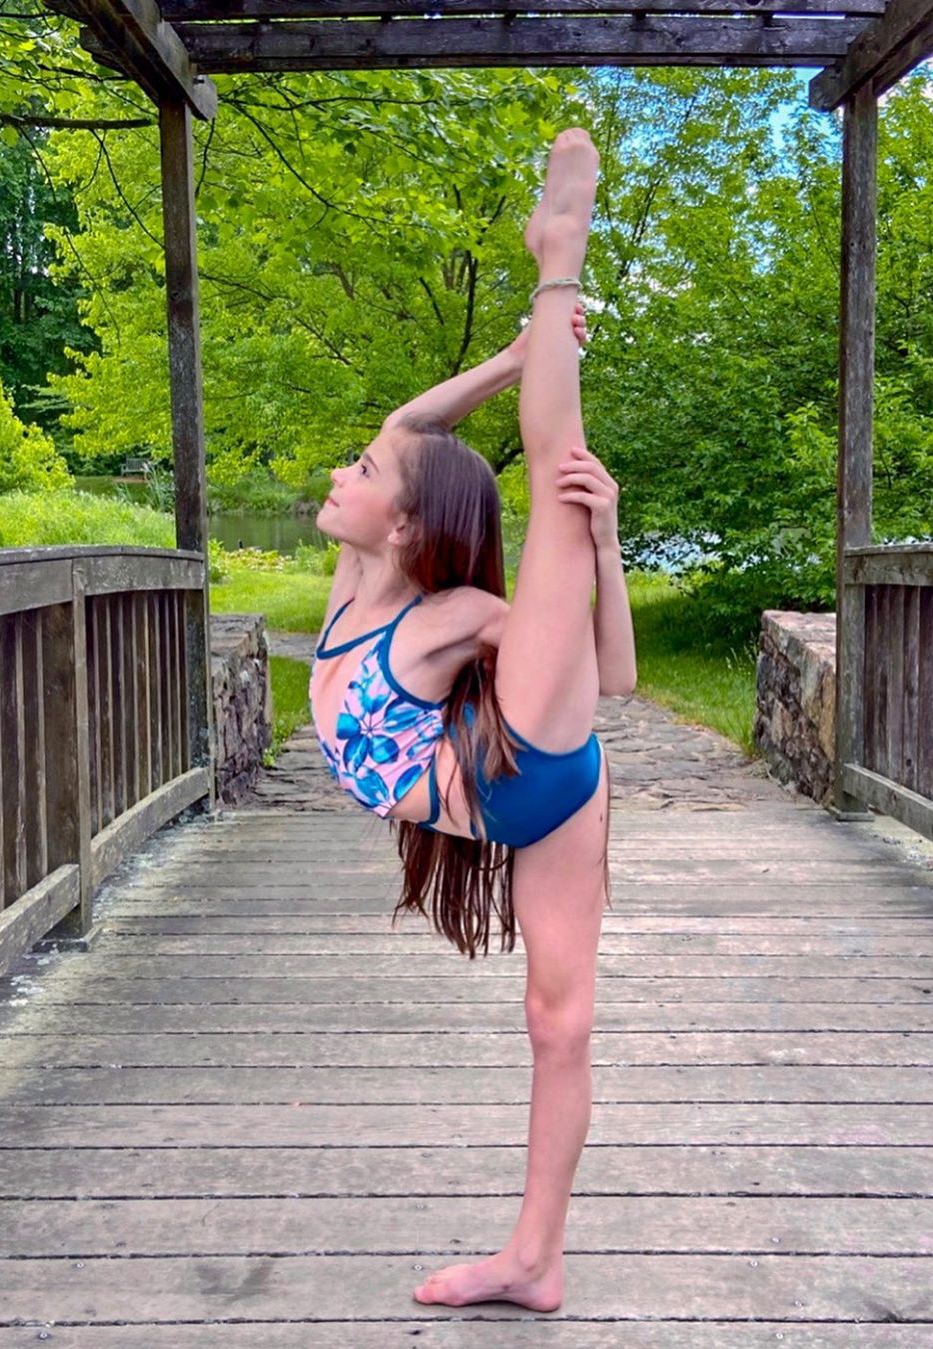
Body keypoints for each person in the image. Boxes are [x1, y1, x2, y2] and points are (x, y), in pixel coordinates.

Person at [309, 128, 636, 1312]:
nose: (344, 470)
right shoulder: (355, 584)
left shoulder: (450, 614)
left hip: (543, 768)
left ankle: (563, 250)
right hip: (525, 800)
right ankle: (533, 1263)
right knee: (554, 1024)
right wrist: (510, 355)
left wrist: (608, 544)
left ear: (405, 525)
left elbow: (617, 678)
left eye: (361, 472)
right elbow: (408, 424)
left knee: (561, 483)